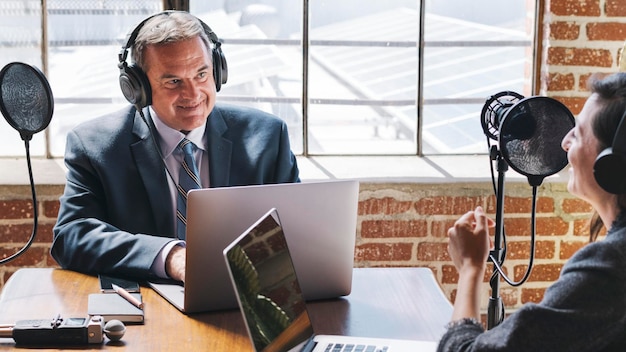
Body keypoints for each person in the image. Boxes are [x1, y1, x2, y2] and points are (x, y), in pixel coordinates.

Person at [51, 11, 300, 283]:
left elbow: (298, 229)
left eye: (202, 74)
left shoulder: (268, 136)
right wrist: (169, 257)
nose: (193, 95)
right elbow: (71, 236)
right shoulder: (95, 146)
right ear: (138, 87)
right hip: (147, 305)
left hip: (246, 299)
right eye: (173, 81)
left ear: (218, 71)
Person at [438, 72, 626, 351]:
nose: (565, 142)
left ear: (611, 164)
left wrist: (470, 268)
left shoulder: (609, 269)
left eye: (579, 133)